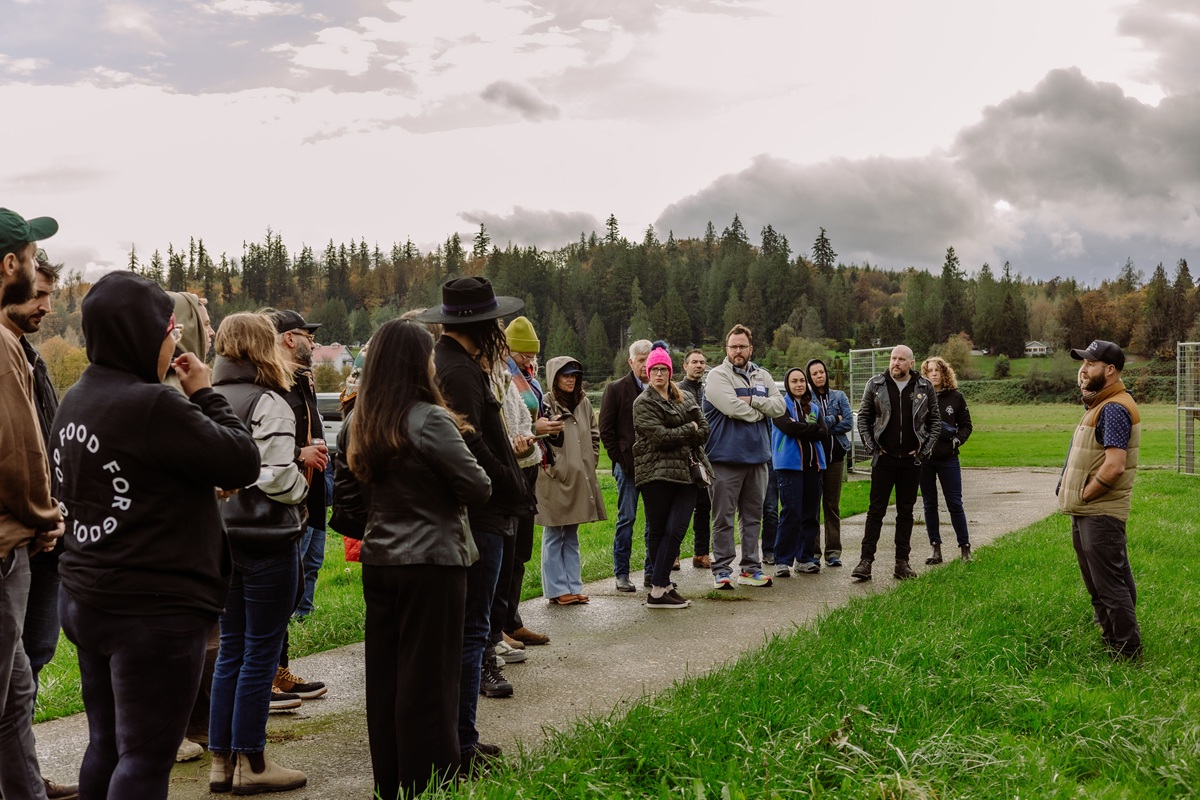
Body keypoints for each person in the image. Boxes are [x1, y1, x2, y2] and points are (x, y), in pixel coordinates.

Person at [53, 271, 259, 800]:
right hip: (152, 611)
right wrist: (206, 393)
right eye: (169, 328)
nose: (176, 340)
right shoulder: (154, 405)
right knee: (146, 759)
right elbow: (241, 461)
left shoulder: (76, 398)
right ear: (142, 334)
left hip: (87, 595)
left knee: (106, 744)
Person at [346, 319, 491, 798]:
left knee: (386, 679)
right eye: (428, 354)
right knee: (430, 681)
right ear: (415, 363)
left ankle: (391, 783)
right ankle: (429, 784)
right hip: (433, 560)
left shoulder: (360, 419)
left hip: (381, 559)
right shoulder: (429, 418)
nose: (434, 361)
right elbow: (478, 485)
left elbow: (347, 490)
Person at [417, 277, 532, 771]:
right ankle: (461, 746)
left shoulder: (457, 363)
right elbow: (473, 444)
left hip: (490, 511)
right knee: (473, 633)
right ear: (482, 324)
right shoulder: (459, 370)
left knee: (474, 630)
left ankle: (464, 738)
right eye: (496, 324)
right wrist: (511, 486)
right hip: (485, 515)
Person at [208, 313, 311, 794]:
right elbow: (278, 478)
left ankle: (220, 762)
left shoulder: (206, 400)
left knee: (231, 647)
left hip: (222, 541)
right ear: (263, 348)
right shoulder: (270, 401)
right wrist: (301, 485)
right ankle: (253, 761)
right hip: (269, 541)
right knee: (261, 652)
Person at [0, 210, 68, 800]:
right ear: (9, 265)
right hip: (12, 542)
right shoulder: (2, 349)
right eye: (28, 258)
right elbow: (22, 451)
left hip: (22, 539)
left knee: (21, 681)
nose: (44, 303)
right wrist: (47, 519)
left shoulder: (26, 353)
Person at [1059, 340, 1142, 660]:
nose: (1082, 369)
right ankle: (1111, 639)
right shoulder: (1101, 405)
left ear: (1109, 370)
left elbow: (1115, 465)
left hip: (1100, 511)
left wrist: (1086, 493)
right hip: (1089, 511)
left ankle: (1127, 651)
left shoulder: (1114, 408)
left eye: (1090, 364)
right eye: (1082, 363)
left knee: (1110, 585)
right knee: (1099, 582)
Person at [164, 290, 219, 761]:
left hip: (199, 533)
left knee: (206, 634)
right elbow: (233, 459)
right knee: (184, 639)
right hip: (173, 543)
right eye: (204, 318)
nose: (212, 327)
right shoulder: (171, 390)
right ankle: (175, 727)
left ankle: (198, 723)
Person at [266, 309, 328, 705]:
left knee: (292, 589)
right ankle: (267, 675)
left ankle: (279, 668)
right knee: (275, 595)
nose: (313, 342)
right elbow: (263, 444)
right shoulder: (274, 384)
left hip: (305, 500)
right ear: (290, 338)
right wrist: (298, 454)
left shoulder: (300, 381)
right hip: (280, 502)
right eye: (308, 334)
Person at [702, 324, 785, 590]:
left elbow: (780, 406)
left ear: (751, 349)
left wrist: (753, 402)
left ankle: (750, 568)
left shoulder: (763, 375)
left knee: (753, 518)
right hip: (724, 460)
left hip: (758, 459)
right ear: (727, 349)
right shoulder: (716, 376)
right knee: (723, 518)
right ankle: (722, 570)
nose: (738, 351)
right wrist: (761, 407)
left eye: (742, 346)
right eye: (733, 346)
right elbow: (731, 407)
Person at [851, 345, 939, 582]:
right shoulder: (876, 384)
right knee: (875, 511)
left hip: (911, 460)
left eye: (901, 359)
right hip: (884, 458)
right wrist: (872, 447)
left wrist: (923, 450)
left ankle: (902, 562)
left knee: (906, 512)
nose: (896, 363)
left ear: (911, 363)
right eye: (893, 358)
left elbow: (935, 421)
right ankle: (865, 561)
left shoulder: (924, 387)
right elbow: (864, 418)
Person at [633, 346, 710, 608]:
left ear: (669, 371)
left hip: (688, 473)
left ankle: (659, 585)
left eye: (662, 369)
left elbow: (705, 430)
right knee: (658, 530)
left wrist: (687, 431)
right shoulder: (643, 403)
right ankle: (660, 588)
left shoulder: (685, 396)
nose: (658, 373)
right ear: (647, 372)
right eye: (653, 369)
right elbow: (660, 438)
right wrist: (689, 427)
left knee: (676, 529)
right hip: (656, 474)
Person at [502, 319, 556, 646]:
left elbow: (526, 419)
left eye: (532, 354)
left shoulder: (527, 379)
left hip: (529, 463)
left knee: (521, 550)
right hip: (511, 466)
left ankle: (512, 619)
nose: (528, 359)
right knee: (505, 552)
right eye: (523, 353)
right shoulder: (502, 376)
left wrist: (541, 428)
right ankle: (500, 626)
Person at [535, 357, 606, 605]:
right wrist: (557, 466)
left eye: (574, 375)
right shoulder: (544, 402)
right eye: (565, 375)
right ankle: (556, 590)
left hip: (579, 476)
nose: (571, 379)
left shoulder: (583, 402)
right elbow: (538, 438)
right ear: (555, 377)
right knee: (554, 533)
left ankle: (573, 585)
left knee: (572, 532)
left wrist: (590, 460)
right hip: (553, 478)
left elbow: (594, 435)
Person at [599, 339, 652, 592]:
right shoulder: (616, 389)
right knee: (626, 519)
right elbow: (606, 431)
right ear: (631, 362)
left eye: (648, 359)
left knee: (655, 521)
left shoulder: (661, 388)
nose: (644, 364)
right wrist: (619, 459)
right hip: (628, 467)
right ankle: (622, 573)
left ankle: (652, 573)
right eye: (640, 360)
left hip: (656, 467)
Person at [770, 368, 827, 577]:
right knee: (791, 512)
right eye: (794, 381)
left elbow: (824, 432)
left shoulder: (814, 407)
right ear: (787, 384)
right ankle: (782, 560)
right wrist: (808, 428)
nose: (799, 384)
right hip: (789, 465)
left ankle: (805, 558)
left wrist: (802, 426)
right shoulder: (779, 405)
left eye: (802, 380)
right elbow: (788, 428)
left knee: (811, 513)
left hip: (814, 466)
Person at [919, 356, 974, 564]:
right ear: (924, 375)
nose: (934, 374)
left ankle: (965, 548)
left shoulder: (956, 398)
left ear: (945, 373)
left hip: (948, 459)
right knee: (929, 503)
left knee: (954, 503)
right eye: (929, 370)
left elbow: (966, 426)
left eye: (937, 370)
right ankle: (936, 548)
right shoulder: (919, 398)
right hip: (925, 459)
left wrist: (956, 441)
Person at [805, 358, 853, 567]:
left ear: (826, 374)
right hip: (815, 459)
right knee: (813, 505)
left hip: (836, 458)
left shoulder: (839, 396)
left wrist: (824, 426)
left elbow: (849, 422)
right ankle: (813, 553)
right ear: (810, 377)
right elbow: (811, 426)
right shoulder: (807, 399)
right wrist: (834, 420)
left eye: (821, 372)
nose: (819, 376)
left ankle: (833, 552)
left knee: (832, 505)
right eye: (814, 373)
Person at [677, 349, 712, 568]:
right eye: (694, 362)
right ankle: (674, 554)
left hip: (705, 455)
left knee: (704, 506)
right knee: (681, 507)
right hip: (683, 455)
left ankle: (701, 553)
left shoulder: (709, 391)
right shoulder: (677, 390)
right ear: (685, 366)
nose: (699, 366)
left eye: (702, 362)